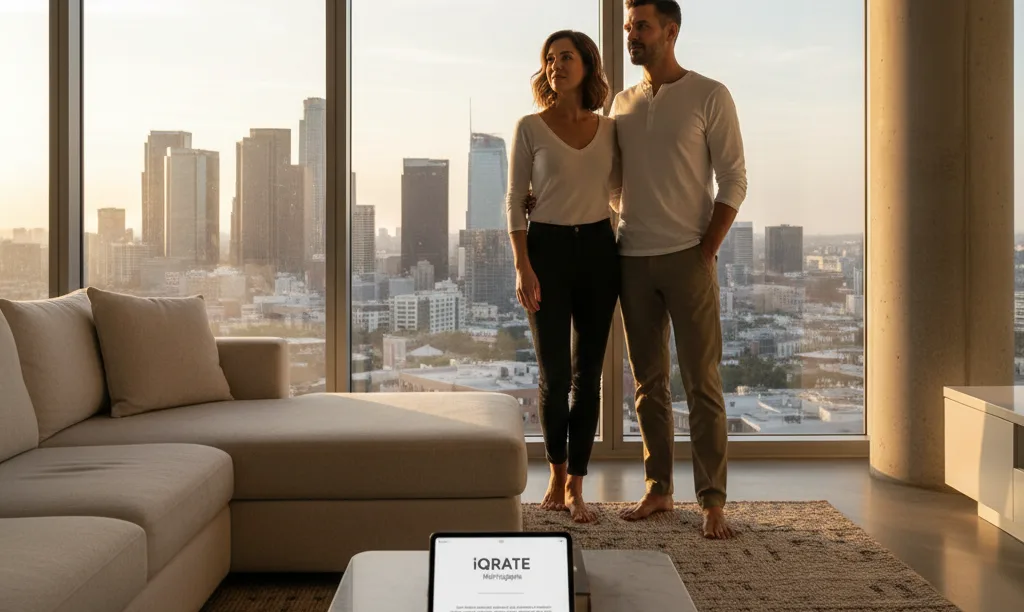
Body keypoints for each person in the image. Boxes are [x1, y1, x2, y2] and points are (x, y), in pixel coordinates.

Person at [611, 0, 747, 539]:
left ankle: (713, 500)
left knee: (702, 384)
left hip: (689, 257)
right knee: (648, 384)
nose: (632, 36)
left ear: (671, 31)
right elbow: (613, 183)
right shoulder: (621, 103)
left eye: (641, 26)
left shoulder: (710, 95)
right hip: (631, 258)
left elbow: (734, 179)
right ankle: (659, 490)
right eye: (627, 27)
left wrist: (707, 248)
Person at [506, 30, 620, 524]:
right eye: (549, 59)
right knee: (553, 376)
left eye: (566, 56)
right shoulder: (529, 127)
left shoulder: (611, 130)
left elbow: (618, 192)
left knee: (587, 377)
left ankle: (576, 484)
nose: (556, 65)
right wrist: (522, 264)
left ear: (587, 65)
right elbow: (514, 200)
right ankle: (554, 472)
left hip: (598, 250)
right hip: (545, 251)